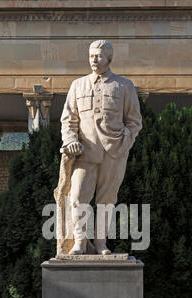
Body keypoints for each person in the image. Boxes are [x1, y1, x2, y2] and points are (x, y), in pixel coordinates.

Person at [60, 39, 142, 255]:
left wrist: (126, 141)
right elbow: (68, 119)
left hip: (114, 152)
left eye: (98, 55)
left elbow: (134, 121)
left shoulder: (124, 86)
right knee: (77, 196)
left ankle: (101, 243)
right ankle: (79, 242)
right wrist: (70, 140)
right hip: (85, 152)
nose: (93, 59)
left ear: (109, 58)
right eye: (91, 56)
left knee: (107, 200)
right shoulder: (78, 85)